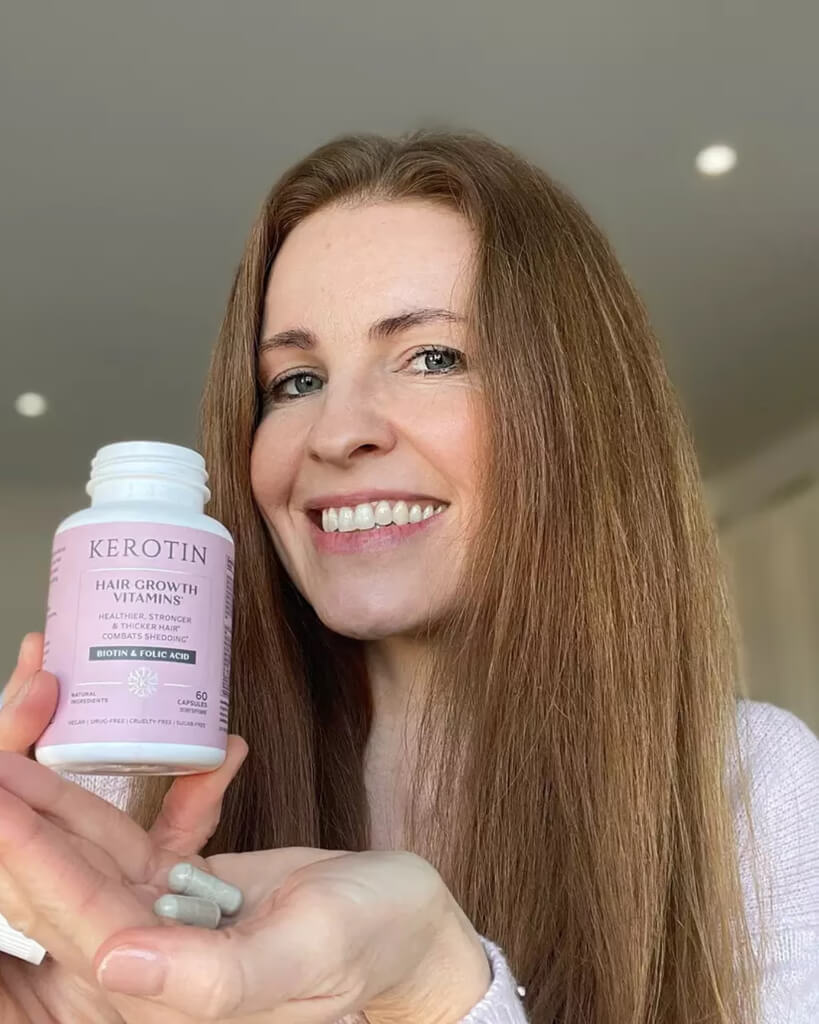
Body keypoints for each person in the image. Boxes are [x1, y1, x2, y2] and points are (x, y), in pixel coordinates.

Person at [0, 130, 817, 1024]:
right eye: (296, 379)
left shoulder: (752, 786)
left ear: (579, 417)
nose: (335, 431)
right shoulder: (127, 789)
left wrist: (438, 988)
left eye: (433, 357)